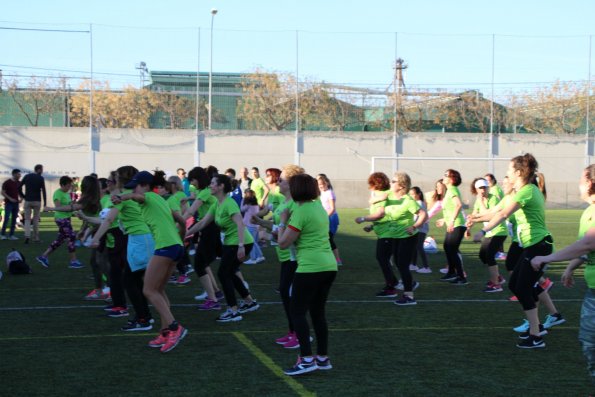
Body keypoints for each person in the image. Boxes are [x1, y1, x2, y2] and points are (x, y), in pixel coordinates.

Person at [472, 154, 555, 349]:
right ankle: (537, 328)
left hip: (539, 246)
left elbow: (502, 213)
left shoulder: (527, 191)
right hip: (531, 246)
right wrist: (475, 219)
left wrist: (483, 230)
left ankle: (536, 334)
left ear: (518, 172)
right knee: (517, 286)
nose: (507, 174)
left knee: (522, 287)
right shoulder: (523, 191)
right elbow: (497, 210)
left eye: (509, 170)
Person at [531, 164, 595, 386]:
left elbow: (588, 243)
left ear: (589, 183)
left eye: (581, 179)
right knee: (589, 342)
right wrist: (571, 267)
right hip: (593, 290)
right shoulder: (588, 211)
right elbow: (589, 249)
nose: (578, 184)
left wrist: (547, 259)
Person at [113, 170, 187, 352]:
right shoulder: (161, 199)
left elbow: (139, 198)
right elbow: (181, 220)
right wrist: (181, 238)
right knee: (159, 290)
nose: (134, 191)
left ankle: (175, 328)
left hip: (165, 247)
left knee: (148, 289)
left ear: (144, 186)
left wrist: (123, 197)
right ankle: (165, 332)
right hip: (175, 246)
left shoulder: (148, 196)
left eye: (136, 187)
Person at [278, 173, 338, 376]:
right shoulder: (318, 207)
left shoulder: (302, 211)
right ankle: (322, 358)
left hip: (310, 267)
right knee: (318, 313)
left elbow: (283, 243)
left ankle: (306, 359)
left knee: (297, 312)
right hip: (328, 266)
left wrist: (282, 221)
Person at [86, 167, 155, 330]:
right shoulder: (128, 195)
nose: (112, 179)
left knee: (131, 281)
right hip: (138, 238)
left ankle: (143, 319)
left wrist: (95, 239)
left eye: (115, 177)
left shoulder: (122, 196)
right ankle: (144, 316)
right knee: (134, 281)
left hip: (140, 238)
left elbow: (109, 219)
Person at [186, 174, 259, 322]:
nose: (210, 186)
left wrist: (240, 246)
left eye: (213, 183)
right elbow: (202, 223)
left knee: (223, 273)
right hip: (232, 243)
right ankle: (249, 302)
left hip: (240, 242)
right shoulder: (217, 204)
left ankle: (233, 311)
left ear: (221, 187)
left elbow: (240, 224)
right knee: (229, 272)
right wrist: (185, 234)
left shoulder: (229, 203)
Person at [252, 164, 303, 348]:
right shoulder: (284, 202)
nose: (277, 182)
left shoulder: (294, 205)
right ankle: (293, 331)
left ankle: (300, 335)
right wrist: (260, 222)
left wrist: (270, 233)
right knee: (284, 292)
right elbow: (279, 227)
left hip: (296, 257)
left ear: (291, 183)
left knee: (292, 295)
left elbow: (288, 233)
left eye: (281, 179)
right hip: (286, 255)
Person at [183, 166, 224, 310]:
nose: (191, 183)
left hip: (210, 228)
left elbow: (191, 211)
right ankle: (216, 293)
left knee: (200, 264)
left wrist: (178, 223)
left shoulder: (205, 192)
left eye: (192, 180)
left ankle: (213, 299)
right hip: (208, 228)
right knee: (204, 262)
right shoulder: (203, 192)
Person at [355, 172, 398, 297]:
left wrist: (363, 218)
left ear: (374, 184)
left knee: (383, 259)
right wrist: (372, 226)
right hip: (386, 232)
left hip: (388, 234)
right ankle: (396, 282)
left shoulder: (381, 195)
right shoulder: (382, 195)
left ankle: (391, 287)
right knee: (384, 259)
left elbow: (380, 213)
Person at [467, 178, 507, 292]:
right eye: (480, 188)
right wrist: (468, 227)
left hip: (499, 231)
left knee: (489, 256)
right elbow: (474, 214)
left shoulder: (493, 198)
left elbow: (490, 215)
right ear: (476, 189)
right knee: (482, 256)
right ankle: (498, 277)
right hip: (489, 232)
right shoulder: (478, 200)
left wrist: (480, 205)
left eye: (485, 187)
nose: (483, 190)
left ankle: (496, 284)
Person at [36, 176, 84, 269]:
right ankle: (73, 261)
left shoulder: (66, 193)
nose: (69, 187)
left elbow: (69, 207)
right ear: (62, 185)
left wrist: (75, 212)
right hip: (61, 219)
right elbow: (59, 208)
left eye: (70, 186)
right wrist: (71, 208)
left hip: (66, 218)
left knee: (60, 240)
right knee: (71, 237)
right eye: (68, 186)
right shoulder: (58, 194)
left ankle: (43, 256)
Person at [437, 169, 468, 284]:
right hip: (453, 223)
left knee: (452, 250)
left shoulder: (453, 189)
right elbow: (451, 209)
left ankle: (461, 277)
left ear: (452, 179)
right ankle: (451, 272)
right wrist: (445, 220)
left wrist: (451, 221)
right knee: (447, 247)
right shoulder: (449, 190)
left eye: (446, 175)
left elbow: (458, 205)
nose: (443, 177)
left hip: (457, 224)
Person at [317, 174, 343, 266]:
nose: (321, 186)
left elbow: (332, 209)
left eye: (322, 184)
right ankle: (327, 259)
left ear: (327, 183)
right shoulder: (321, 193)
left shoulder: (329, 193)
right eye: (319, 185)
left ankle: (337, 260)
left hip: (331, 218)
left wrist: (324, 218)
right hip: (324, 218)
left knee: (329, 239)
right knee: (324, 239)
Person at [19, 164, 46, 244]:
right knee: (35, 219)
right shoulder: (41, 178)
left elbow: (19, 187)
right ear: (39, 170)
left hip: (28, 200)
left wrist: (23, 196)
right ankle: (36, 237)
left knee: (27, 219)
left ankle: (27, 236)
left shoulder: (27, 176)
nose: (42, 171)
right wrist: (45, 203)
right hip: (37, 201)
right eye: (42, 169)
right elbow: (44, 191)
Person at [409, 186, 431, 274]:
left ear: (418, 194)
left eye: (413, 194)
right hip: (418, 228)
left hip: (421, 228)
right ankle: (413, 265)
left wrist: (412, 226)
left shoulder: (419, 203)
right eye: (410, 194)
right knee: (414, 247)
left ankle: (426, 267)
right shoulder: (418, 203)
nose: (411, 196)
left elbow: (420, 217)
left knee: (419, 246)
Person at [241, 189, 265, 264]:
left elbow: (241, 209)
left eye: (245, 194)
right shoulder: (255, 204)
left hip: (250, 225)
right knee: (254, 242)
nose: (244, 195)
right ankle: (256, 257)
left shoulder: (248, 204)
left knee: (251, 242)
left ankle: (257, 257)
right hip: (255, 225)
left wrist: (242, 200)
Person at [1, 169, 22, 240]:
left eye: (20, 174)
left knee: (14, 219)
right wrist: (10, 199)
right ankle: (2, 234)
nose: (20, 176)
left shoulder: (19, 183)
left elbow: (20, 192)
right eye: (18, 174)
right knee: (6, 218)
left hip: (16, 204)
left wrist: (21, 198)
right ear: (14, 174)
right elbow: (3, 192)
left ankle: (11, 235)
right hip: (8, 203)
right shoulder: (7, 182)